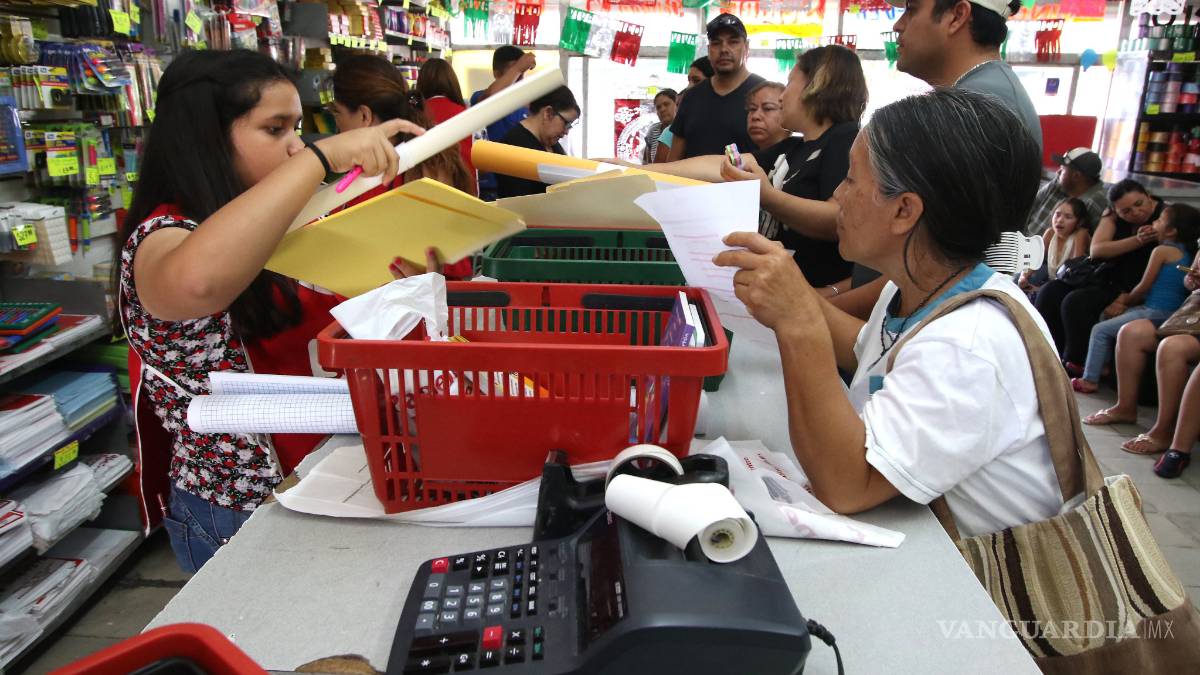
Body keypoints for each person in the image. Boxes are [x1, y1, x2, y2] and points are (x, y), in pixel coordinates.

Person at [118, 49, 420, 571]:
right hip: (240, 508)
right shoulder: (162, 236)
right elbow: (196, 282)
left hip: (320, 479)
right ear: (206, 136)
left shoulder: (276, 221)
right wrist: (318, 160)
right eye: (275, 129)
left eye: (298, 129)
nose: (294, 146)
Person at [713, 89, 1065, 537]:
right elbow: (867, 352)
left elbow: (847, 485)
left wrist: (799, 320)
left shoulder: (968, 345)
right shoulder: (925, 288)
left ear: (904, 210)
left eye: (852, 180)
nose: (838, 195)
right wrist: (790, 296)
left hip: (975, 585)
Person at [653, 46, 863, 287]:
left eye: (790, 83)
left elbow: (837, 218)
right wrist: (641, 169)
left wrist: (768, 197)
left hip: (817, 295)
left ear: (816, 86)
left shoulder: (844, 139)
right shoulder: (793, 148)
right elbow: (720, 165)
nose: (782, 96)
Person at [331, 55, 474, 280]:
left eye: (337, 113)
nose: (337, 126)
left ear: (364, 116)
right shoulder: (429, 159)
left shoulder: (388, 177)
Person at [1035, 179, 1165, 374]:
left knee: (1076, 302)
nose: (1135, 212)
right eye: (1126, 211)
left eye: (1139, 204)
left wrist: (1127, 298)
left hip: (1136, 286)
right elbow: (1097, 251)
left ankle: (1077, 362)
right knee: (1050, 291)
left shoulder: (1164, 218)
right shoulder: (1112, 216)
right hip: (1106, 277)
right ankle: (1047, 354)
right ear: (1115, 210)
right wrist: (1138, 240)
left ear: (1148, 195)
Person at [1080, 260, 1200, 467]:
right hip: (1193, 319)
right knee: (1131, 333)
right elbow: (1189, 284)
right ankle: (1125, 408)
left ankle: (1164, 430)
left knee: (1171, 348)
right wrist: (1192, 278)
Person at [1070, 203, 1199, 394]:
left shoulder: (1161, 251)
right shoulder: (1186, 252)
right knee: (1107, 317)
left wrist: (1126, 299)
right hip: (1166, 311)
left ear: (1171, 231)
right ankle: (1100, 365)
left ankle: (1089, 379)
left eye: (1159, 220)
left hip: (1157, 311)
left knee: (1100, 330)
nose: (1154, 222)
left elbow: (1144, 286)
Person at [889, 0, 1042, 150]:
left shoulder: (977, 109)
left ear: (957, 16)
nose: (897, 26)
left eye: (911, 8)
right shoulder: (983, 93)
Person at [666, 14, 766, 160]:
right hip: (692, 182)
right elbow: (673, 160)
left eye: (733, 42)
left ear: (746, 47)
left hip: (747, 181)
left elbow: (779, 156)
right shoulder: (692, 97)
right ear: (708, 50)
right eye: (716, 43)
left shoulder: (764, 95)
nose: (724, 49)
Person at [470, 46, 536, 200]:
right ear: (497, 74)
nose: (518, 78)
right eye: (513, 72)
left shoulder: (526, 104)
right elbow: (491, 97)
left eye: (522, 74)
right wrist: (519, 67)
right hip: (491, 188)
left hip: (521, 184)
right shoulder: (480, 98)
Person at [495, 86, 580, 198]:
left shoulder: (551, 143)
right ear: (548, 113)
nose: (566, 132)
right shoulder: (514, 146)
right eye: (566, 124)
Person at [416, 57, 476, 194]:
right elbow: (482, 161)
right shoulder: (471, 115)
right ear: (453, 83)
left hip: (424, 195)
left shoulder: (414, 115)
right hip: (466, 194)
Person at [1024, 148, 1108, 236]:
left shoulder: (1096, 202)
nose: (1058, 172)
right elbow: (1027, 208)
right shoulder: (1057, 183)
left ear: (1076, 175)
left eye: (1062, 169)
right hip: (1022, 241)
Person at [1018, 198, 1091, 294]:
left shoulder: (1081, 234)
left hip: (1071, 284)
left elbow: (1073, 272)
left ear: (1079, 222)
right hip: (1053, 280)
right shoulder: (1050, 233)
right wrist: (1023, 276)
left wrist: (1039, 289)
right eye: (1057, 214)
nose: (1060, 220)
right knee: (1017, 280)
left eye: (1068, 217)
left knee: (1045, 292)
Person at [642, 89, 677, 164]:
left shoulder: (683, 129)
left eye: (666, 104)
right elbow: (647, 161)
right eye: (658, 107)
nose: (662, 109)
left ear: (677, 104)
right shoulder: (653, 130)